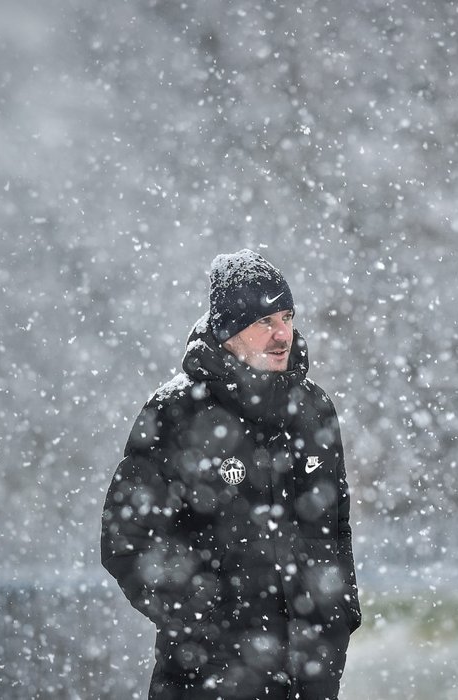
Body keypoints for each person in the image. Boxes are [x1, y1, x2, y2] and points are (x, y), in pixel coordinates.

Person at [101, 249, 361, 699]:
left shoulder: (314, 410)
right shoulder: (175, 413)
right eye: (264, 321)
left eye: (287, 315)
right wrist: (204, 627)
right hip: (207, 681)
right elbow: (124, 539)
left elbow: (336, 528)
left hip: (309, 679)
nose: (282, 334)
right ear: (227, 332)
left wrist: (339, 620)